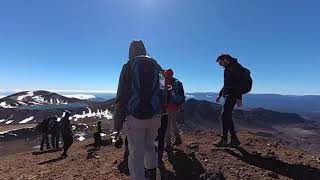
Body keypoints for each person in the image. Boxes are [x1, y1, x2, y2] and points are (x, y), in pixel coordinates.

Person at [114, 40, 163, 180]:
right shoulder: (157, 66)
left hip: (134, 117)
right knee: (150, 145)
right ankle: (152, 175)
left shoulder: (128, 66)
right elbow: (164, 89)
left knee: (136, 153)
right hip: (155, 115)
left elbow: (121, 96)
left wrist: (117, 125)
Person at [215, 54, 252, 147]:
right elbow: (227, 84)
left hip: (233, 95)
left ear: (225, 60)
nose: (220, 65)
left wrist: (238, 97)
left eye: (220, 62)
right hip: (229, 94)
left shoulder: (235, 68)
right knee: (227, 116)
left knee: (224, 115)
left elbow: (238, 84)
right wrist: (220, 94)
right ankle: (234, 139)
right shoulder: (229, 68)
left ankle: (224, 139)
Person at [164, 69, 185, 150]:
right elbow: (181, 95)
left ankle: (168, 144)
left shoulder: (164, 82)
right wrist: (180, 106)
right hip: (175, 106)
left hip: (167, 106)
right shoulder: (177, 82)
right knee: (173, 122)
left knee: (167, 125)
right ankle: (177, 138)